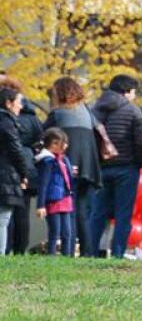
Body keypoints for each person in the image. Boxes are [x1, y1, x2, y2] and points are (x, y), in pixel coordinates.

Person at [88, 75, 142, 258]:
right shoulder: (133, 111)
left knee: (97, 213)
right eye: (133, 92)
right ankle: (118, 252)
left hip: (101, 168)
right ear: (127, 91)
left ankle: (91, 252)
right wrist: (139, 161)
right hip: (126, 167)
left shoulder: (94, 109)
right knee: (123, 214)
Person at [44, 77, 101, 257]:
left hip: (68, 168)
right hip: (89, 167)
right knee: (82, 212)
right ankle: (87, 252)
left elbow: (43, 136)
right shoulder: (86, 111)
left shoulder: (58, 114)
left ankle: (69, 252)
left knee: (69, 211)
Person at [0, 78, 43, 255]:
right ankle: (9, 252)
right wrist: (24, 172)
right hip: (10, 171)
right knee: (9, 215)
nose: (20, 105)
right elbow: (16, 148)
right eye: (18, 102)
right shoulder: (11, 122)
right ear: (8, 102)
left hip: (11, 170)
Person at [35, 128, 75, 257]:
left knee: (67, 232)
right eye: (55, 143)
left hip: (65, 197)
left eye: (60, 143)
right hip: (53, 199)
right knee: (55, 231)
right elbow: (43, 184)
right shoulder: (47, 161)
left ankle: (67, 257)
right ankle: (51, 256)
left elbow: (68, 176)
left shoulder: (63, 159)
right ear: (48, 144)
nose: (58, 146)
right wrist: (40, 205)